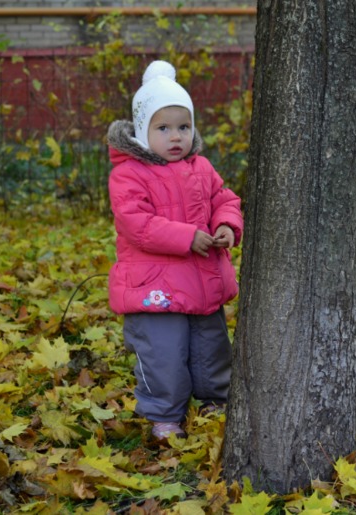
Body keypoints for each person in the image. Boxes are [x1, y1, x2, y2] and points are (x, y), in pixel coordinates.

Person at [106, 60, 243, 443]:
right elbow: (135, 222)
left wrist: (226, 225)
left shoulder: (201, 167)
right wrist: (187, 237)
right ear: (142, 130)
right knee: (163, 354)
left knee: (210, 348)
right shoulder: (128, 173)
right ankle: (164, 415)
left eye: (183, 127)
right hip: (155, 287)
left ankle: (215, 400)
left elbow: (223, 199)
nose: (175, 137)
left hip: (200, 282)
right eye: (163, 128)